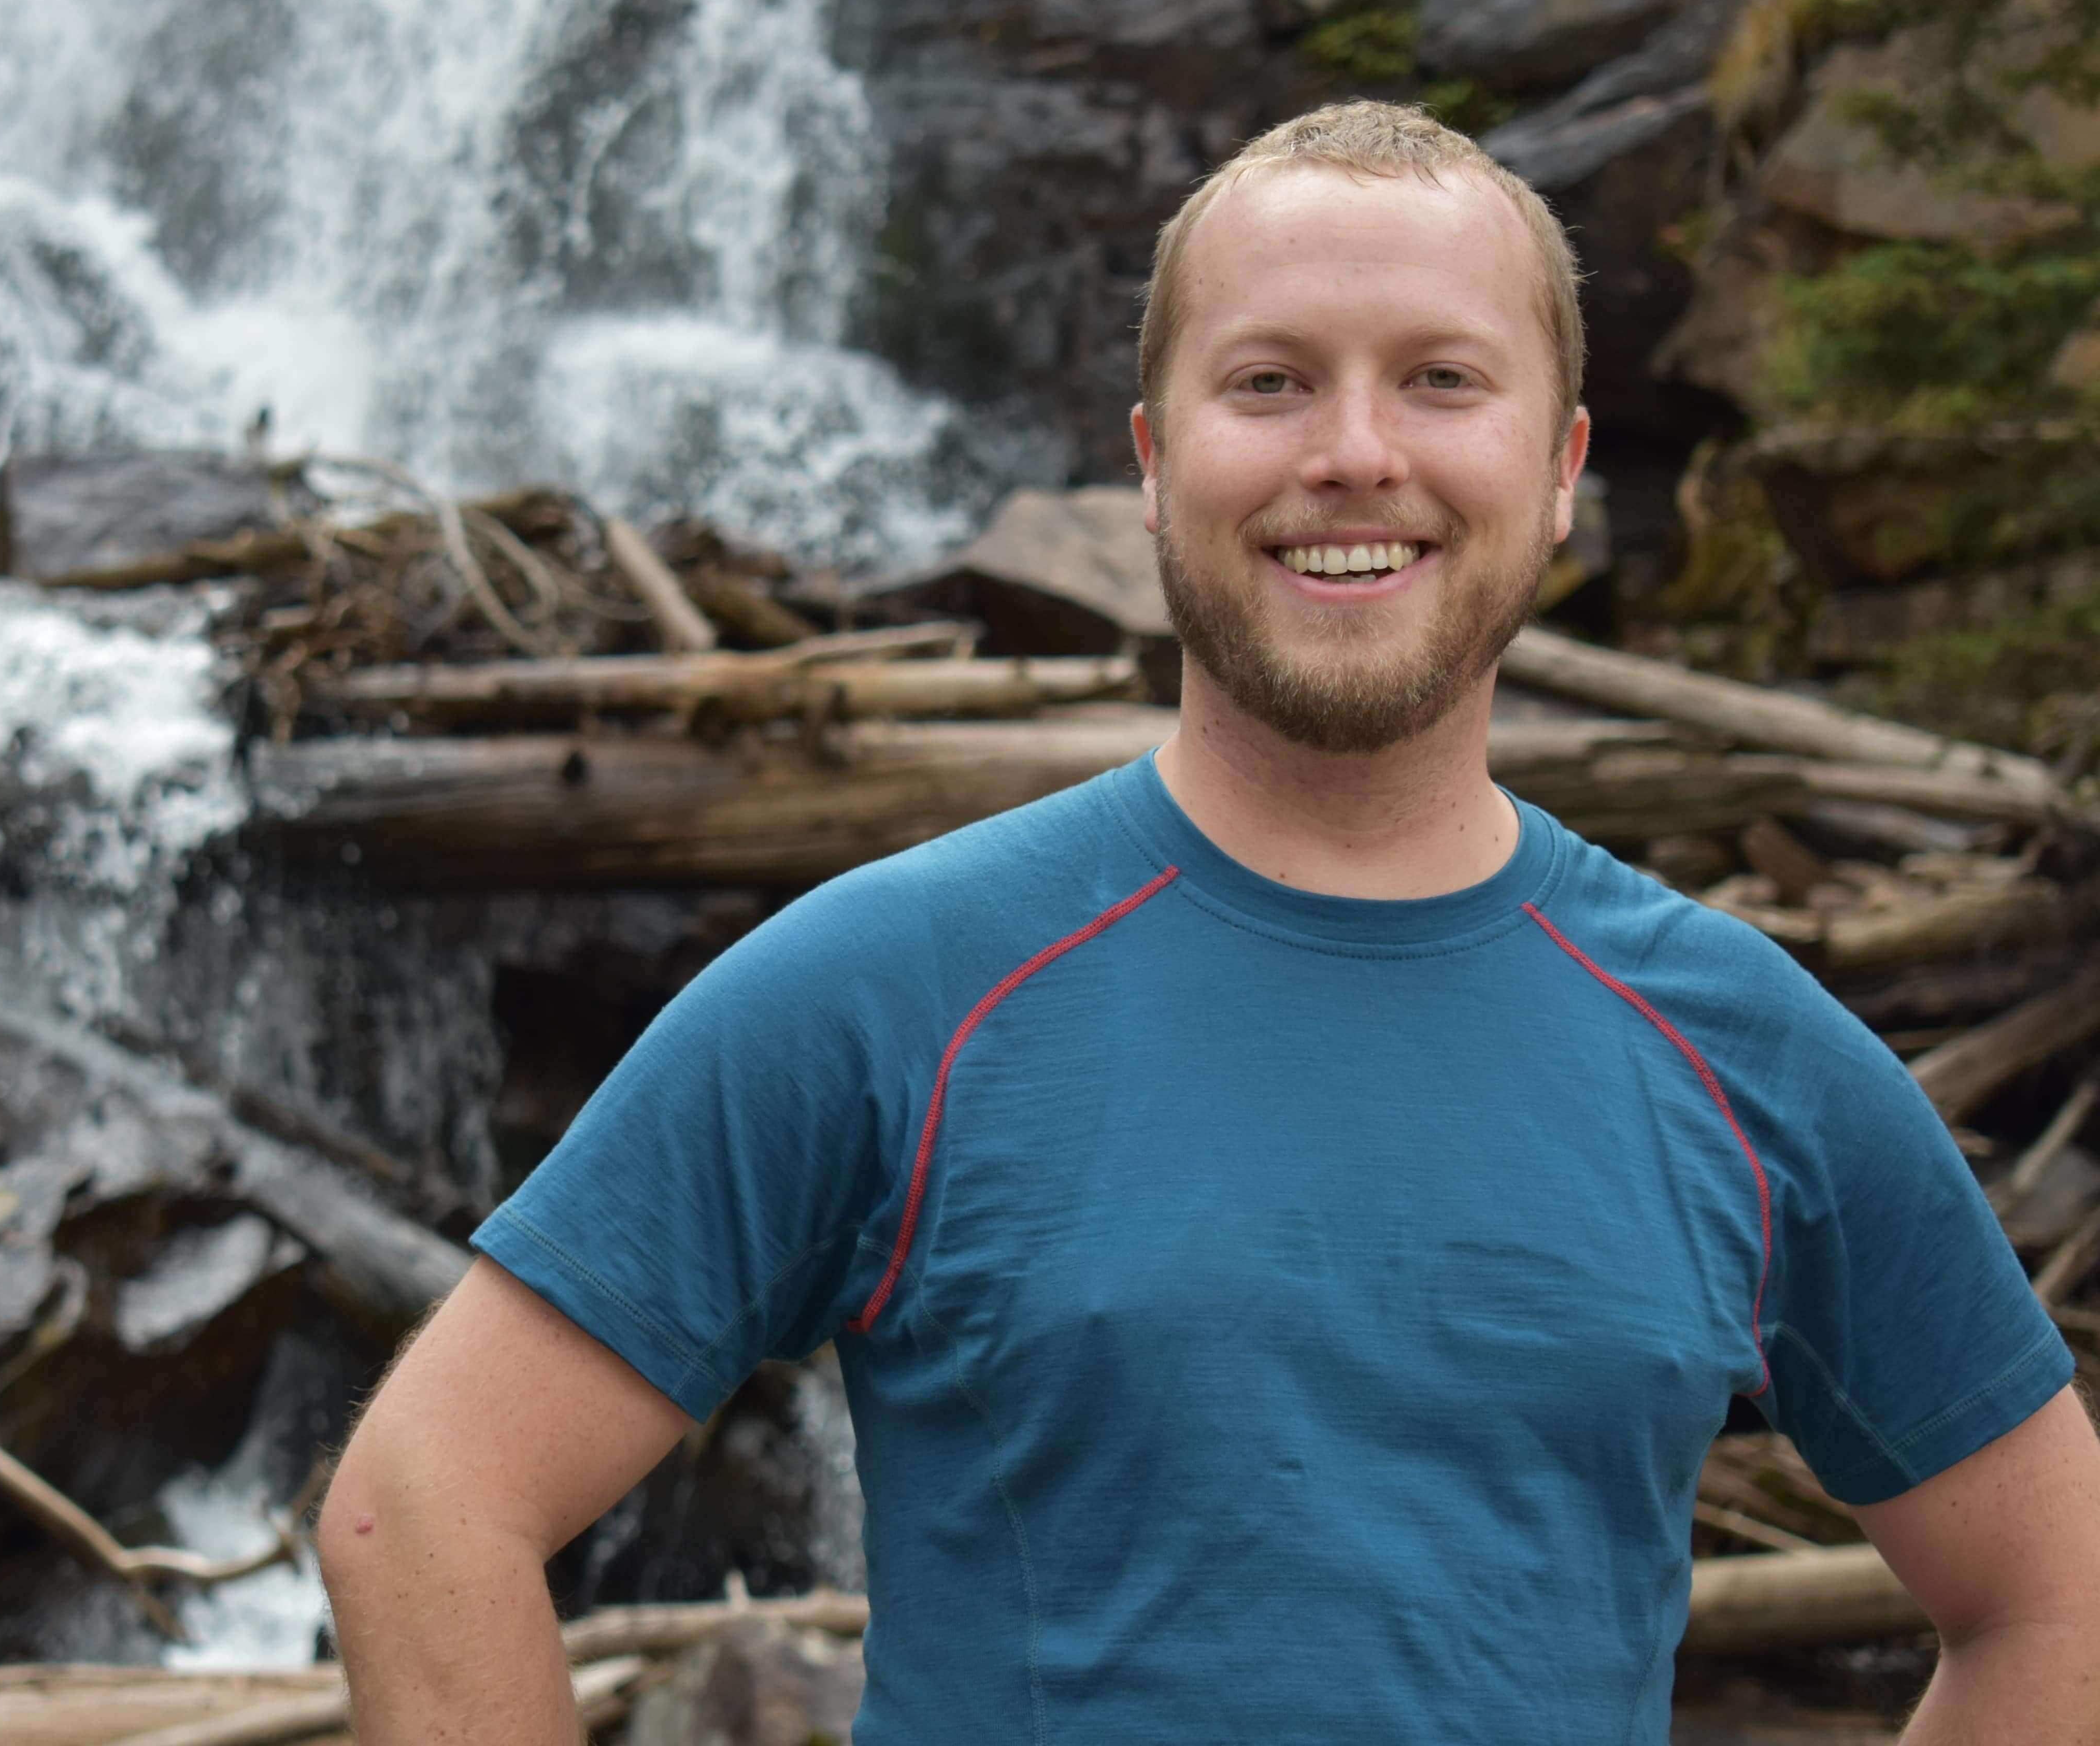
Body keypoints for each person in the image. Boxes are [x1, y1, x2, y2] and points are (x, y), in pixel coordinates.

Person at [316, 101, 2100, 1742]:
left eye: (1439, 381)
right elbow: (426, 1502)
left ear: (1560, 468)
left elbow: (2051, 1603)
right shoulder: (884, 990)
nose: (1352, 454)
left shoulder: (1742, 1050)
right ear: (1155, 465)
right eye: (1270, 384)